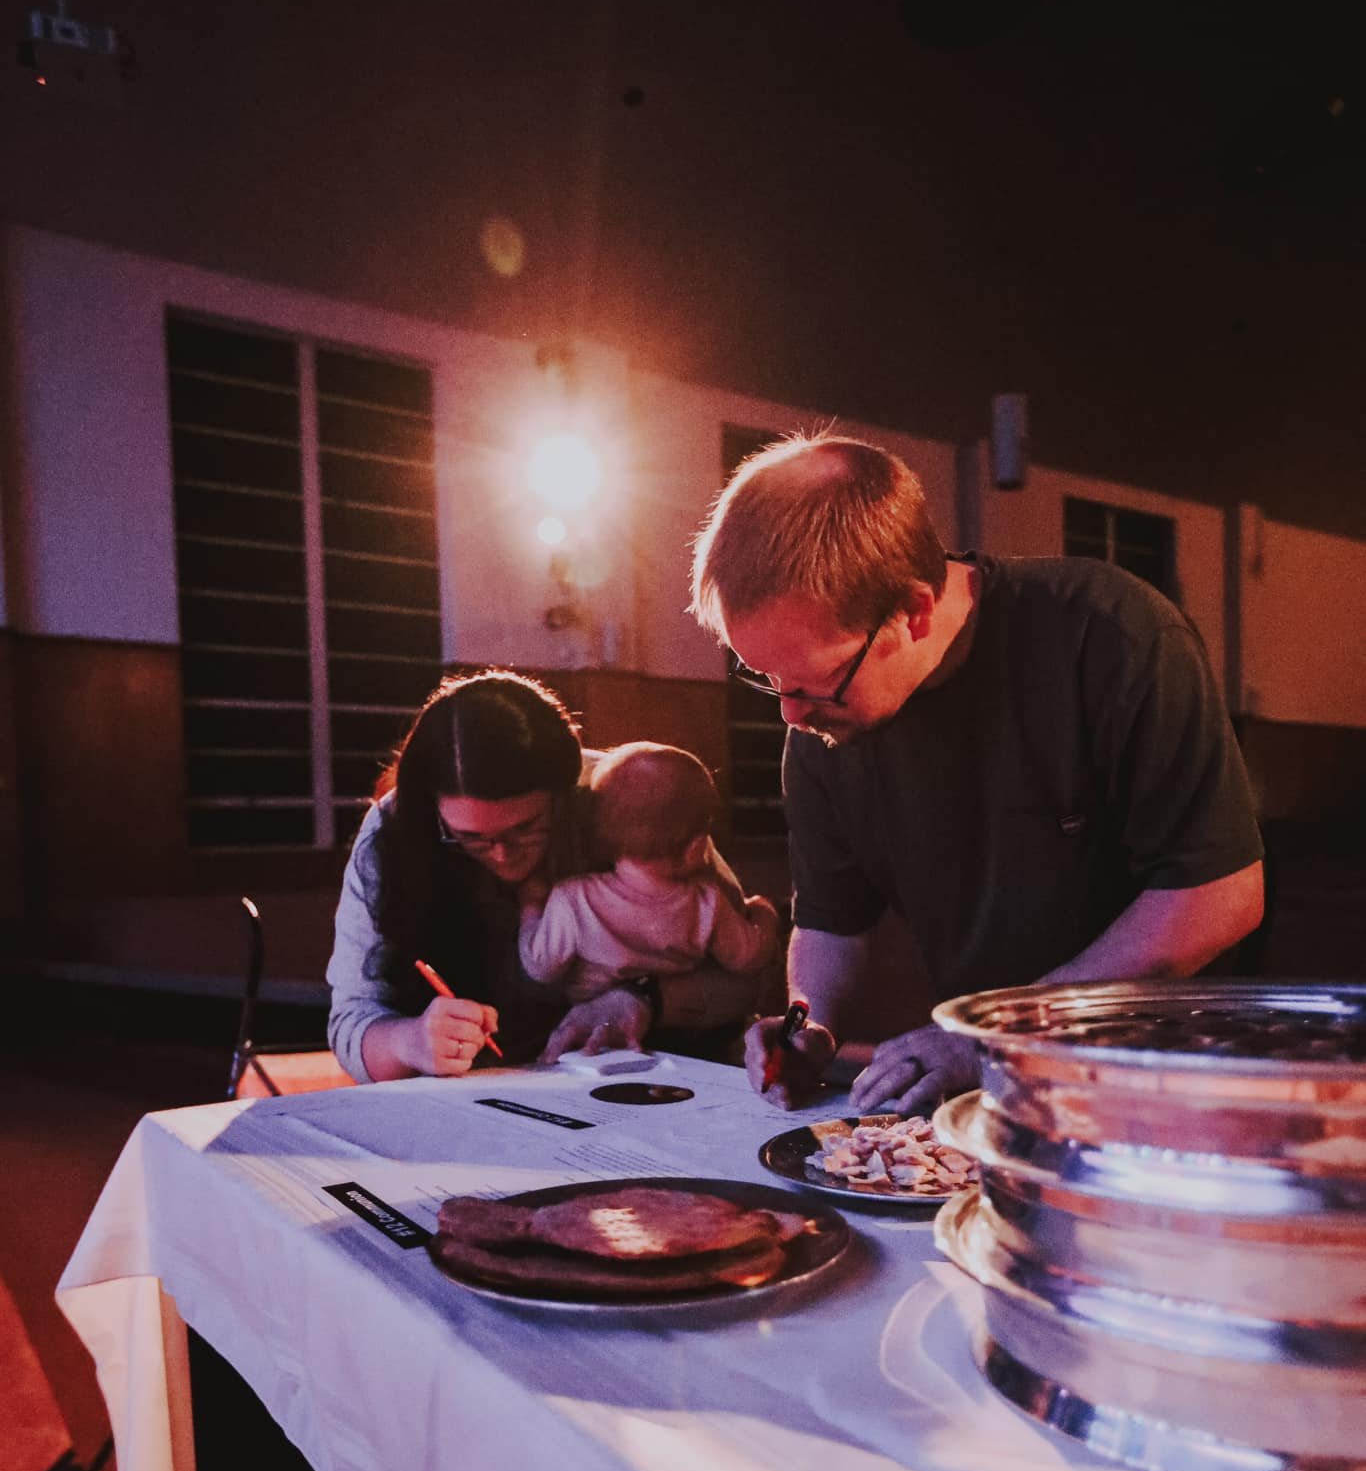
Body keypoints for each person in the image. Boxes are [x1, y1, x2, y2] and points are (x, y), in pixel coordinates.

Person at [688, 434, 1265, 1115]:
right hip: (995, 1087)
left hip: (1161, 1080)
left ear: (914, 612)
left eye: (815, 681)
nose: (789, 714)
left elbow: (1218, 897)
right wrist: (807, 1025)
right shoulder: (822, 726)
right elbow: (831, 921)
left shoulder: (1109, 635)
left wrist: (998, 1032)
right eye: (767, 679)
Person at [327, 671, 756, 1082]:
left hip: (653, 1075)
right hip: (485, 1091)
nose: (501, 855)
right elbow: (351, 1021)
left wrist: (644, 999)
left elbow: (746, 982)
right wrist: (412, 1041)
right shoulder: (396, 831)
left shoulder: (627, 799)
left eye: (525, 828)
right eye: (469, 837)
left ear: (563, 792)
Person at [518, 741, 780, 1001]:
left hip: (586, 1021)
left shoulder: (573, 899)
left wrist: (531, 907)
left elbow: (541, 967)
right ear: (695, 848)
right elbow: (748, 958)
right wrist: (763, 910)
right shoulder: (707, 902)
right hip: (672, 1018)